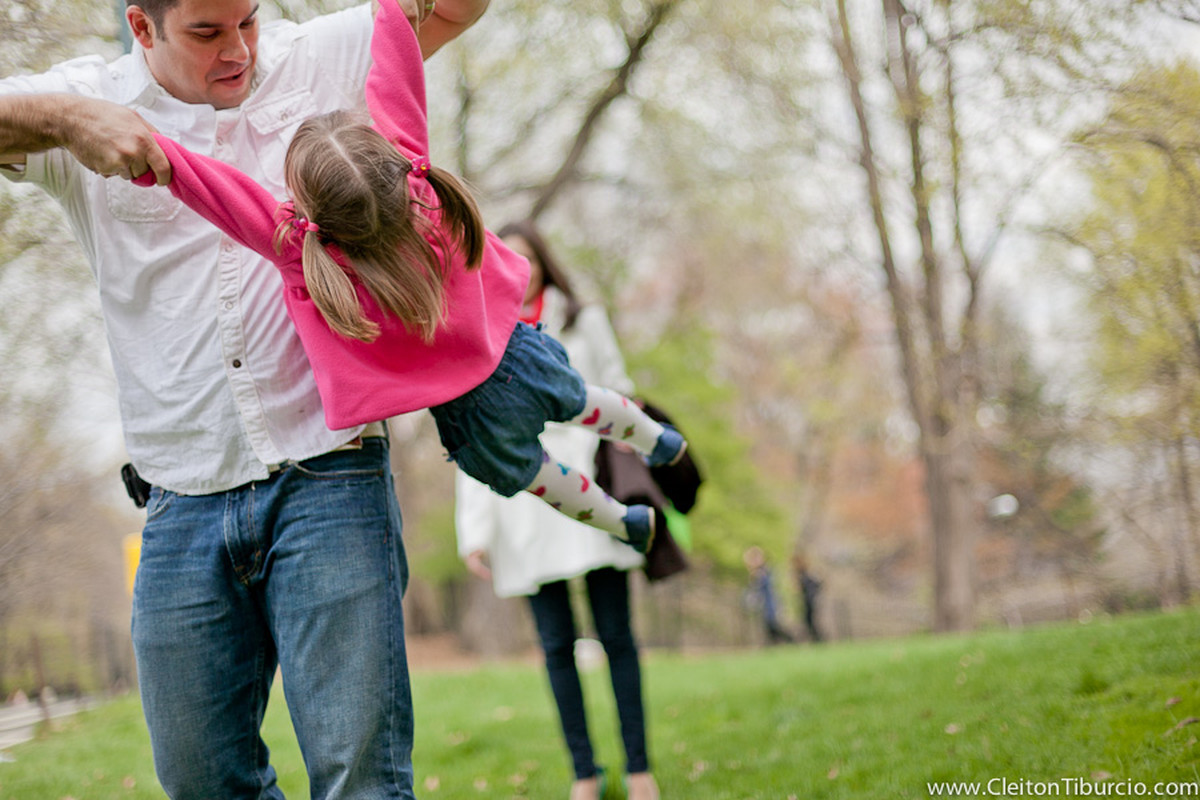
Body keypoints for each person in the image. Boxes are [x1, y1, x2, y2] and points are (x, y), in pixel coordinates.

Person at [0, 1, 486, 797]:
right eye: (207, 33)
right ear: (143, 27)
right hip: (178, 498)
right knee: (200, 782)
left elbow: (455, 9)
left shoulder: (316, 56)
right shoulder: (82, 101)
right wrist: (66, 117)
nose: (239, 50)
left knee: (362, 778)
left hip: (329, 478)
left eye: (248, 21)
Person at [129, 0, 687, 554]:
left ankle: (622, 523)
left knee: (540, 475)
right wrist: (394, 9)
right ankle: (657, 440)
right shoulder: (421, 191)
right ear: (388, 158)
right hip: (513, 355)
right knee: (583, 400)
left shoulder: (306, 254)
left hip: (467, 417)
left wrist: (159, 154)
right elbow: (397, 84)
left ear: (305, 208)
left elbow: (224, 197)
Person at [457, 220, 662, 800]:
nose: (519, 271)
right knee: (555, 646)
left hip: (592, 488)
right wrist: (474, 532)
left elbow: (618, 389)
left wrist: (630, 435)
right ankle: (584, 774)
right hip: (524, 504)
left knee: (617, 634)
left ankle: (640, 768)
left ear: (543, 264)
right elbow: (474, 436)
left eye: (529, 259)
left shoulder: (582, 319)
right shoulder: (478, 330)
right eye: (507, 259)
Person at [743, 546, 794, 645]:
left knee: (775, 628)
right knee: (770, 630)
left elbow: (772, 589)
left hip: (772, 605)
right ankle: (776, 647)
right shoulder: (757, 574)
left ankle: (793, 642)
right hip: (764, 607)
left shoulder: (765, 572)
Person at [792, 553, 824, 642]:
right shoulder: (802, 574)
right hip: (807, 601)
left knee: (811, 620)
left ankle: (818, 638)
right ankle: (815, 638)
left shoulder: (807, 574)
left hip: (811, 600)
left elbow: (818, 584)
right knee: (808, 621)